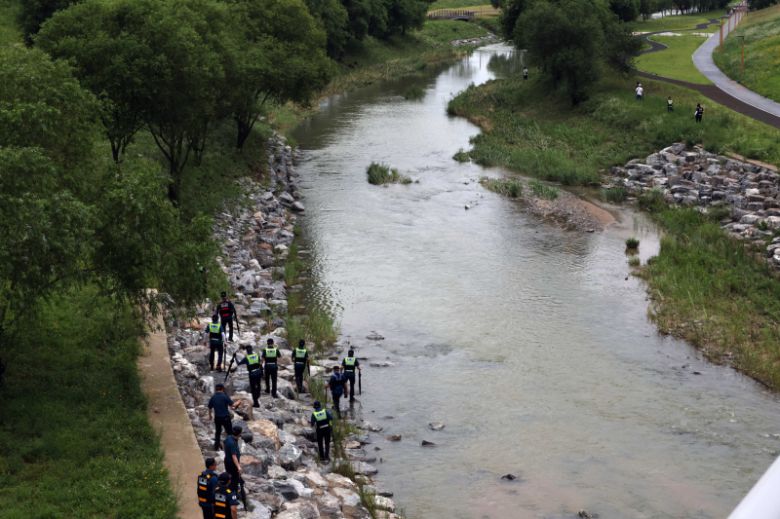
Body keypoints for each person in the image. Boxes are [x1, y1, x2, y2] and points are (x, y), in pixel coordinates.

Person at [208, 384, 237, 449]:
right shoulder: (225, 396)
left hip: (217, 418)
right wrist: (238, 402)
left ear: (216, 389)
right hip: (225, 417)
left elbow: (209, 407)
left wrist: (210, 416)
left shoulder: (213, 397)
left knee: (218, 432)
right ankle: (231, 446)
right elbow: (233, 405)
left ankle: (216, 447)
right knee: (229, 432)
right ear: (222, 389)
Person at [223, 426, 242, 495]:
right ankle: (233, 494)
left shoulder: (228, 438)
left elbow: (223, 443)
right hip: (232, 465)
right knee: (234, 480)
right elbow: (234, 456)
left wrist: (226, 453)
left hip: (227, 461)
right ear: (239, 434)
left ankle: (228, 491)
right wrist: (238, 467)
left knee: (229, 477)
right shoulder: (232, 443)